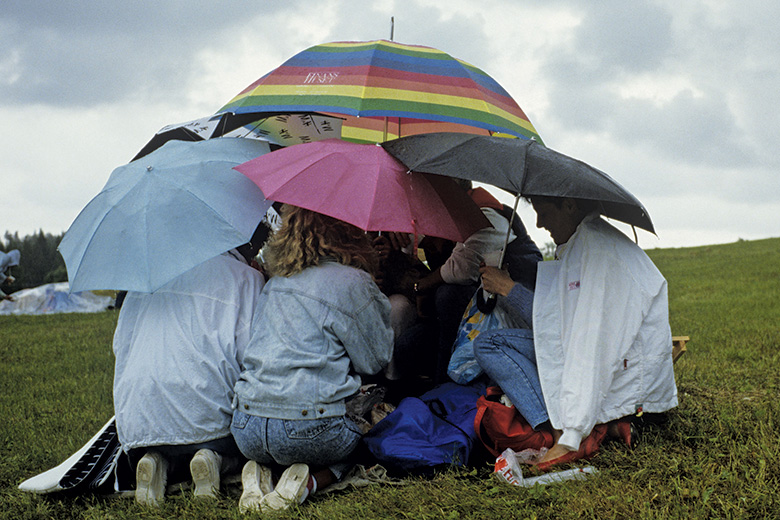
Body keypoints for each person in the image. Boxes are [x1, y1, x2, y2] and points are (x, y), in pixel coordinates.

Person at [474, 196, 678, 465]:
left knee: (502, 347)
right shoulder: (581, 244)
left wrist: (571, 435)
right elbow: (554, 322)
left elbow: (592, 346)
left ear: (569, 206)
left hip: (630, 390)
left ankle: (558, 433)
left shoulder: (598, 251)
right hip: (606, 363)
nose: (538, 222)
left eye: (544, 212)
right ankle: (596, 428)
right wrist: (507, 288)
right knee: (489, 343)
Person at [231, 205, 393, 513]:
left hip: (247, 426)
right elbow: (375, 361)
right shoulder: (353, 281)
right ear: (349, 232)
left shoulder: (277, 282)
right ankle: (309, 482)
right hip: (312, 430)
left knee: (282, 443)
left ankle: (262, 473)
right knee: (365, 439)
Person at [112, 222, 270, 506]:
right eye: (255, 249)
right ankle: (214, 460)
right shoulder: (245, 278)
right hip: (209, 423)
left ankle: (155, 461)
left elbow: (120, 348)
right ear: (244, 243)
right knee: (224, 438)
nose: (255, 257)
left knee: (169, 437)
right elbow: (256, 357)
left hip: (139, 425)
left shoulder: (145, 281)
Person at [396, 181, 541, 384]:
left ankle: (446, 387)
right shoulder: (434, 220)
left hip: (503, 317)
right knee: (407, 345)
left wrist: (421, 286)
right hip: (462, 320)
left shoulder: (489, 216)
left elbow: (461, 269)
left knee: (448, 296)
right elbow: (411, 255)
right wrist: (397, 243)